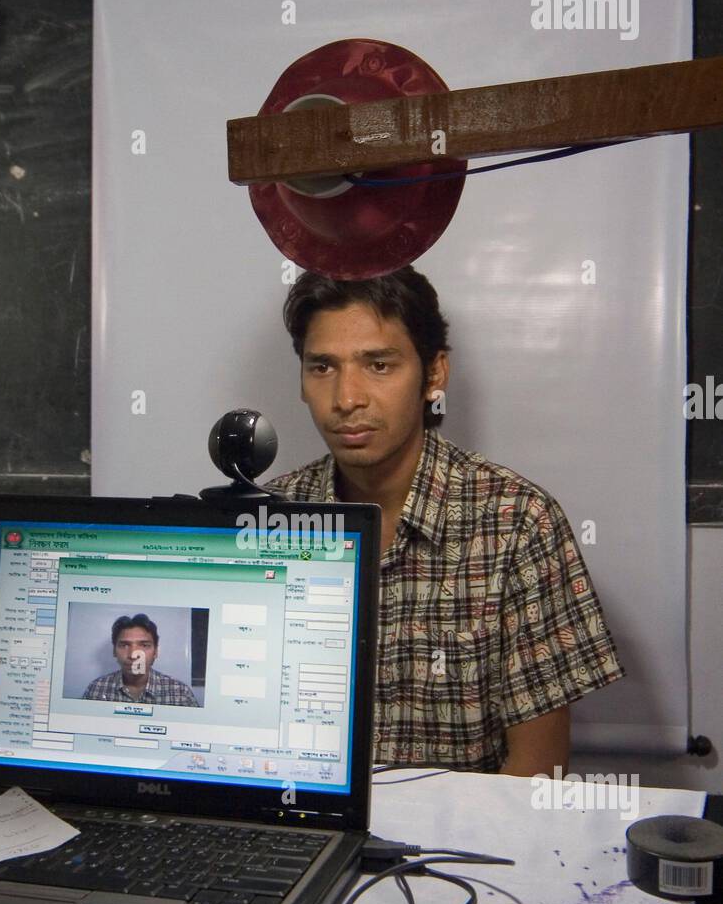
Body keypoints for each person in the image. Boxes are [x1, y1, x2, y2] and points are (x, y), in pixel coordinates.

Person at [267, 267, 625, 776]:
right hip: (300, 833)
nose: (347, 398)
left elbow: (537, 769)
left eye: (379, 365)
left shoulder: (517, 522)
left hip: (457, 848)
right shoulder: (272, 517)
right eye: (322, 367)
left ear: (434, 374)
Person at [81, 614, 198, 706]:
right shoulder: (96, 689)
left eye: (144, 645)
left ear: (156, 652)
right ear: (114, 651)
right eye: (124, 645)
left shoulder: (180, 693)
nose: (133, 655)